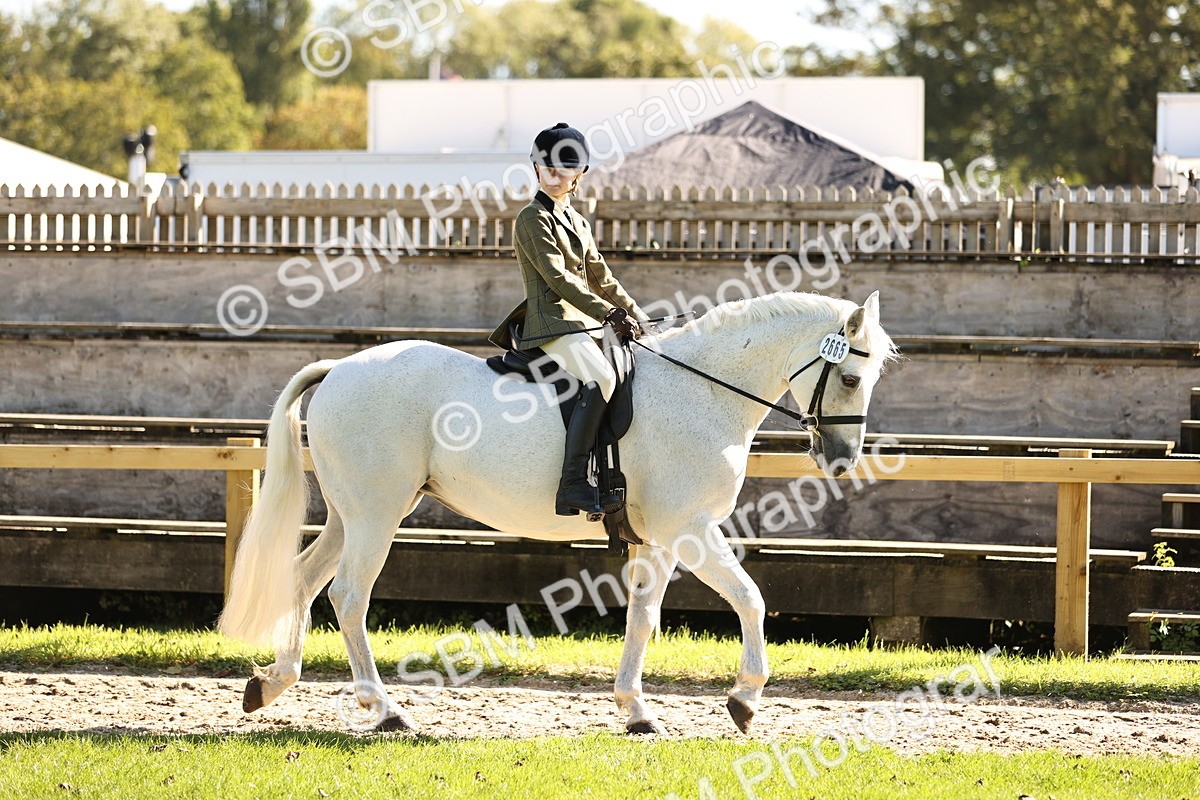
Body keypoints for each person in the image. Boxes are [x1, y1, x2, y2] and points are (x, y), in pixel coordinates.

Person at [489, 122, 646, 517]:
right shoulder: (531, 218)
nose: (556, 176)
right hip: (552, 323)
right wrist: (608, 313)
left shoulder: (577, 221)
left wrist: (639, 315)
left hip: (584, 324)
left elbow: (602, 277)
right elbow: (557, 279)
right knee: (604, 378)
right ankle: (573, 482)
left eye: (566, 169)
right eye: (549, 168)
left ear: (580, 173)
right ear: (537, 168)